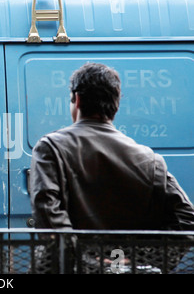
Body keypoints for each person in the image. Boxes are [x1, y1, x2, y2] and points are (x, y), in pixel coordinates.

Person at [29, 62, 194, 231]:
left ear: (77, 99)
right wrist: (147, 257)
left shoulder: (51, 148)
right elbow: (186, 218)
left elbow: (47, 213)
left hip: (72, 258)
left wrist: (85, 258)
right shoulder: (151, 161)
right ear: (115, 104)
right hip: (132, 256)